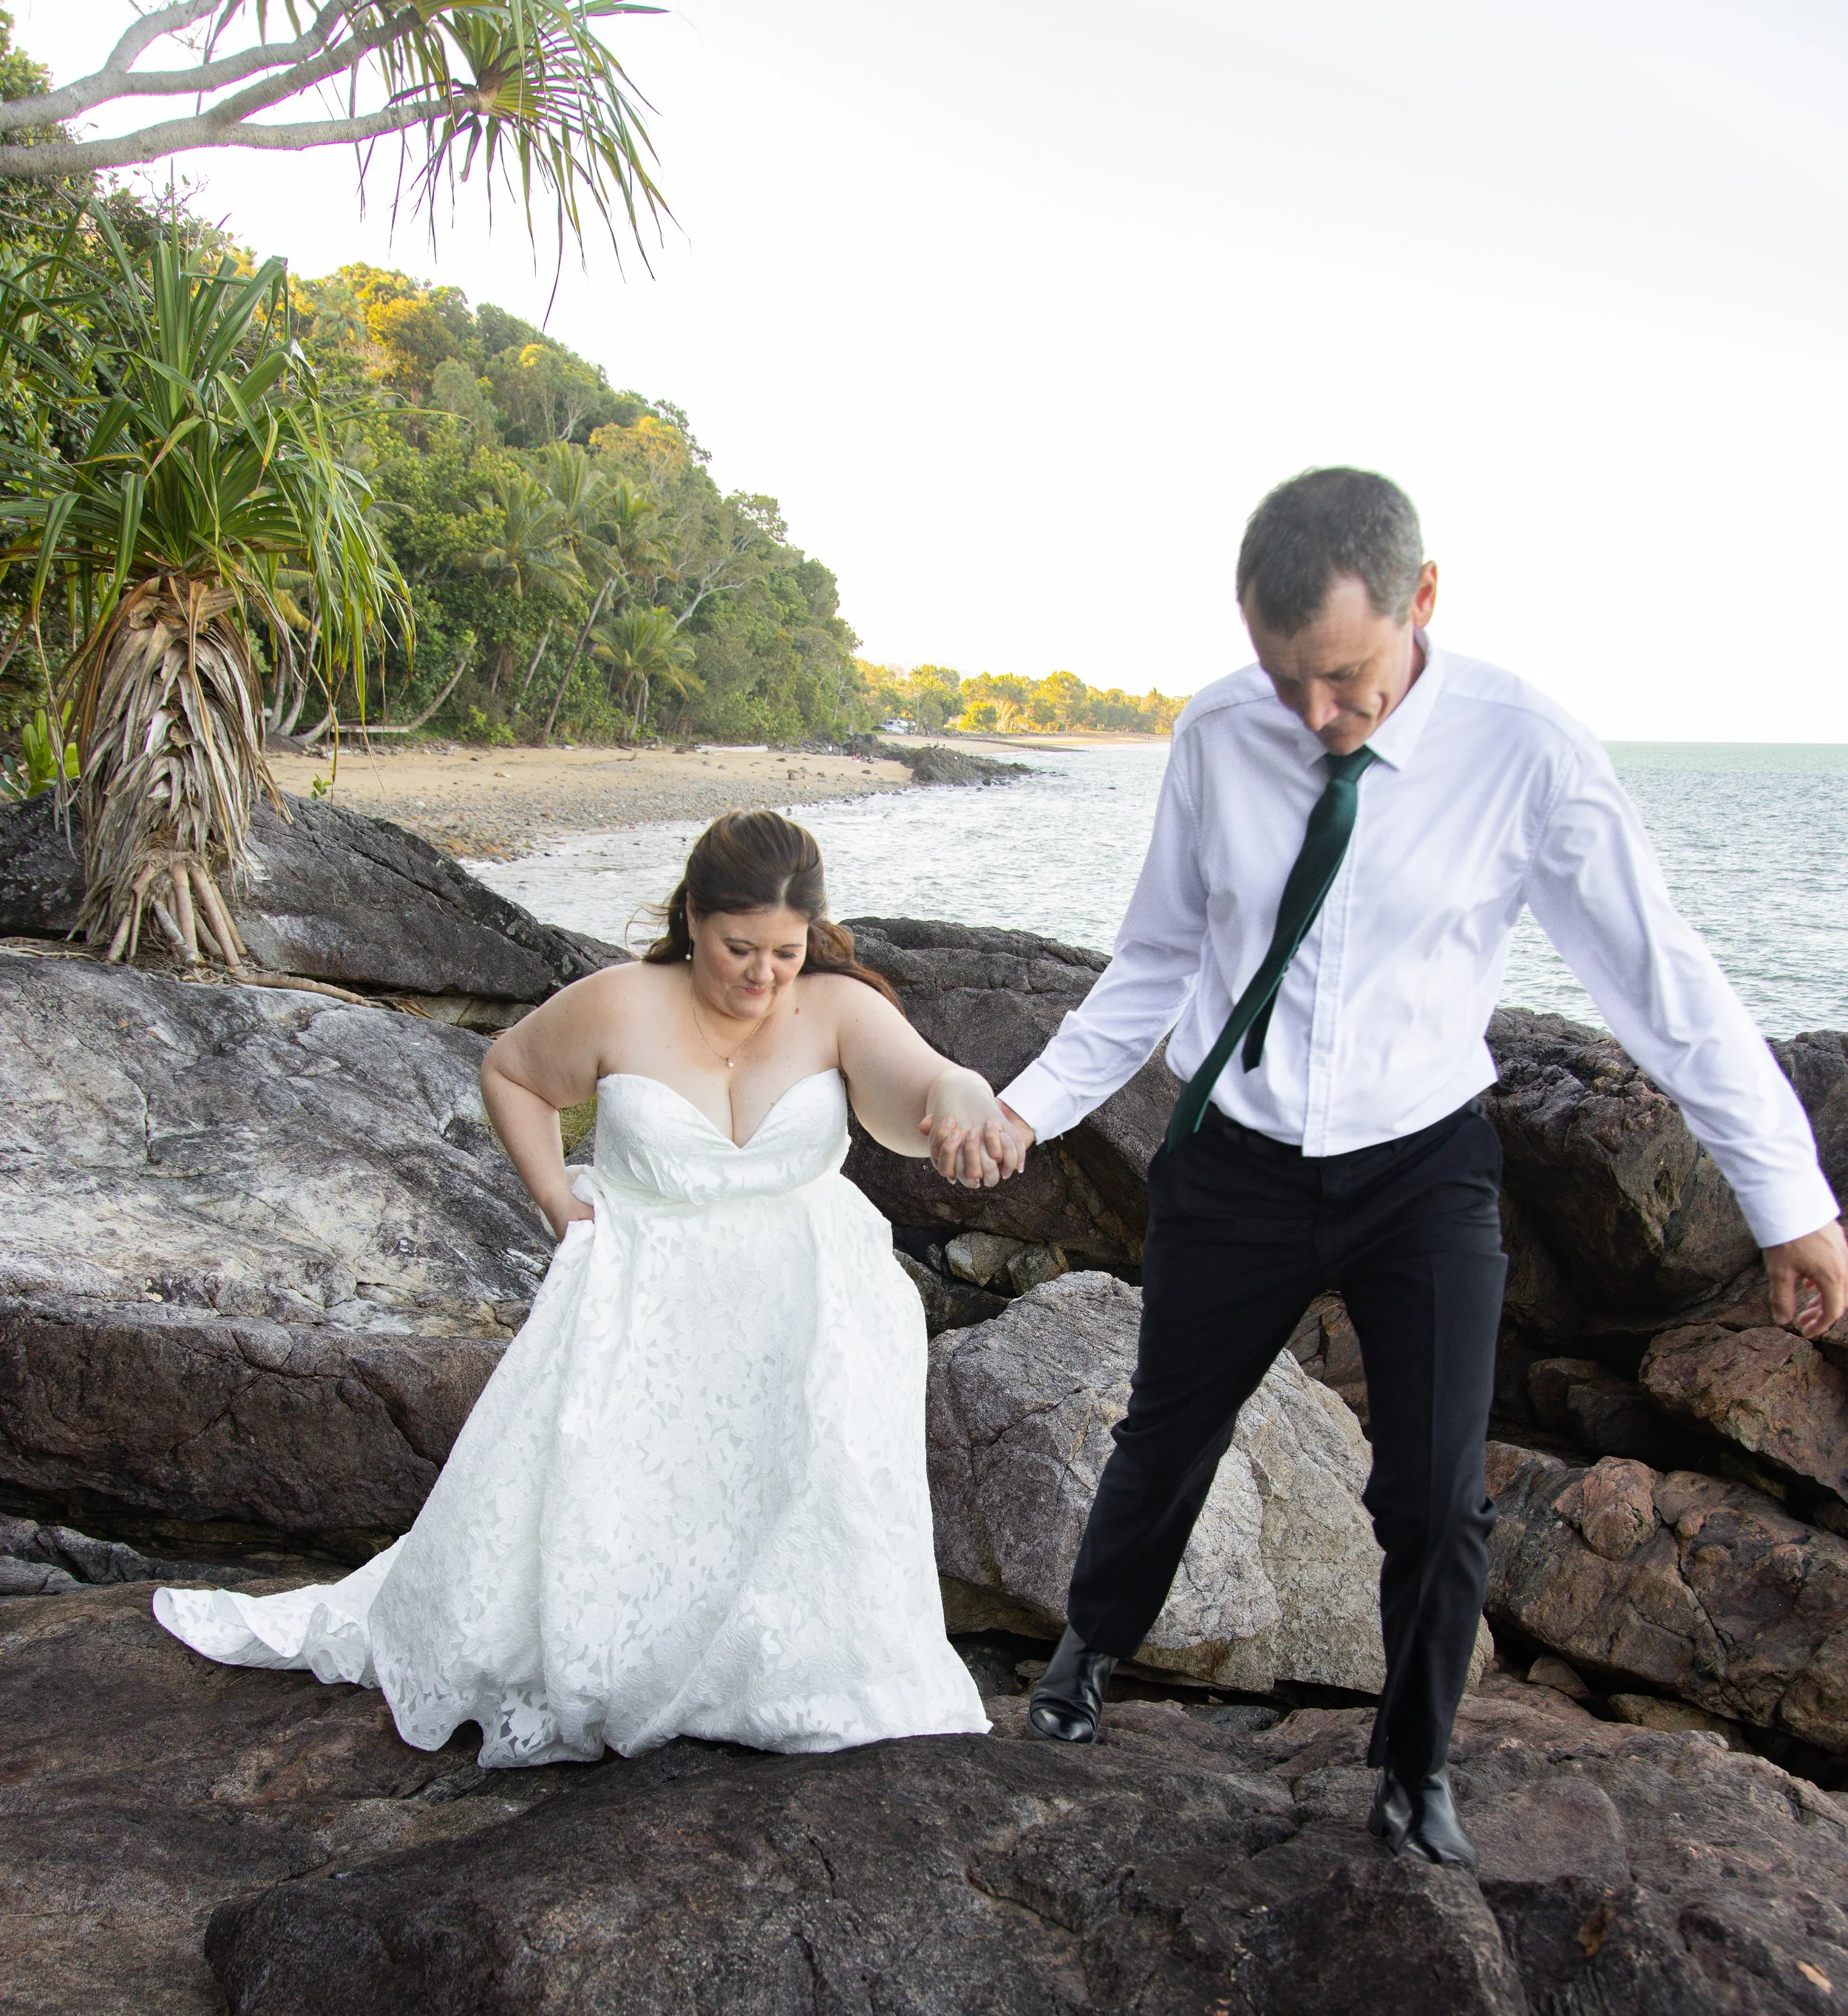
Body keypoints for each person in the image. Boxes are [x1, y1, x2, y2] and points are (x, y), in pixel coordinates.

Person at [1001, 468, 1848, 1866]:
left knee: (1439, 1487)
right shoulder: (1217, 733)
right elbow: (1156, 956)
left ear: (1425, 603)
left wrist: (1791, 1202)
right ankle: (1089, 1650)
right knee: (1167, 1436)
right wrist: (1033, 1106)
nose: (1316, 717)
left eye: (1344, 679)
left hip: (1420, 1166)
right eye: (1287, 682)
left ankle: (1417, 1764)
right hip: (1241, 1155)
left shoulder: (1530, 750)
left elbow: (1663, 980)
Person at [154, 810, 1028, 1766]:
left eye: (786, 951)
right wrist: (555, 1200)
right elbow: (514, 1073)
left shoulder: (837, 1009)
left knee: (793, 1499)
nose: (762, 976)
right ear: (693, 915)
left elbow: (919, 1092)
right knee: (626, 1501)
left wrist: (965, 1098)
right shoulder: (619, 1002)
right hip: (644, 1295)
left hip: (804, 1303)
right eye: (740, 948)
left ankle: (771, 1665)